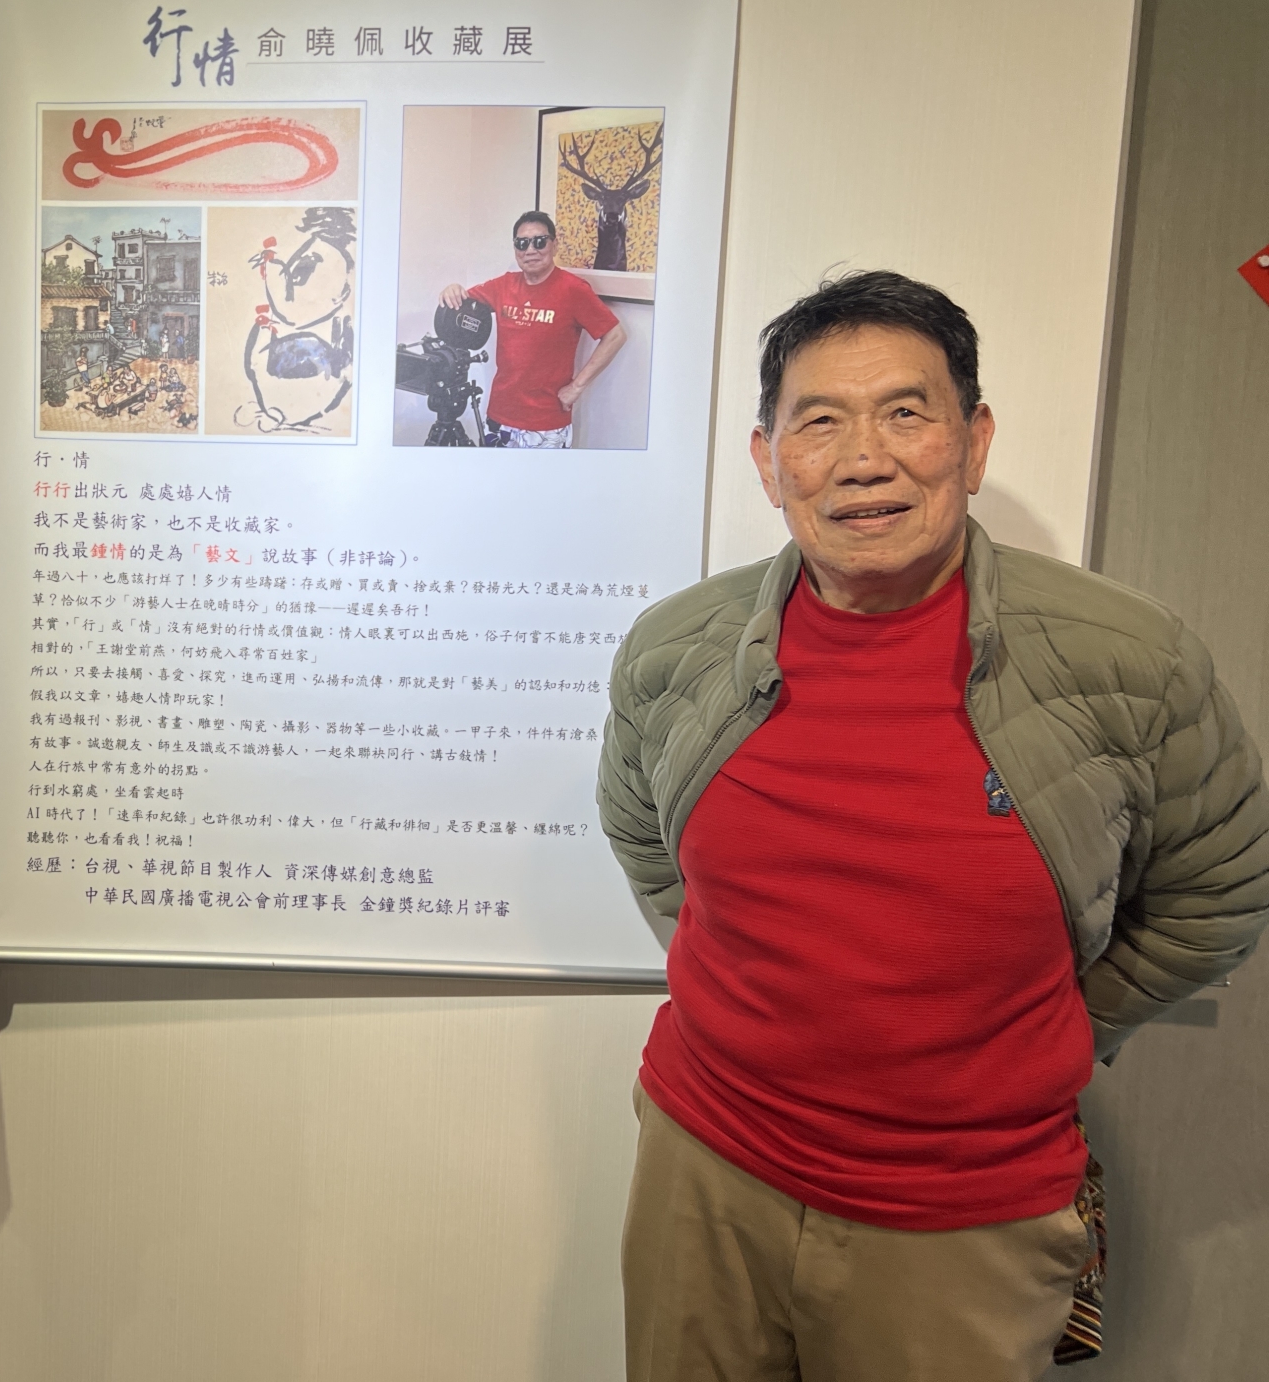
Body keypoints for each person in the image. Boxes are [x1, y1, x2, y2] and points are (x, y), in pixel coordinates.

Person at [598, 270, 1269, 1381]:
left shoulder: (1127, 658)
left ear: (973, 441)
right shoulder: (678, 648)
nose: (864, 460)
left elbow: (1219, 895)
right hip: (704, 1166)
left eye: (905, 412)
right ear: (768, 459)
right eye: (819, 421)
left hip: (962, 1216)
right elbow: (642, 838)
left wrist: (1044, 1025)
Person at [439, 210, 626, 447]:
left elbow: (615, 336)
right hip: (499, 417)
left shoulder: (573, 290)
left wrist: (576, 387)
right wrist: (452, 289)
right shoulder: (503, 285)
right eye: (522, 243)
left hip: (547, 422)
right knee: (495, 472)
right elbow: (463, 303)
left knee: (543, 475)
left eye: (539, 242)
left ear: (554, 246)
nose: (530, 250)